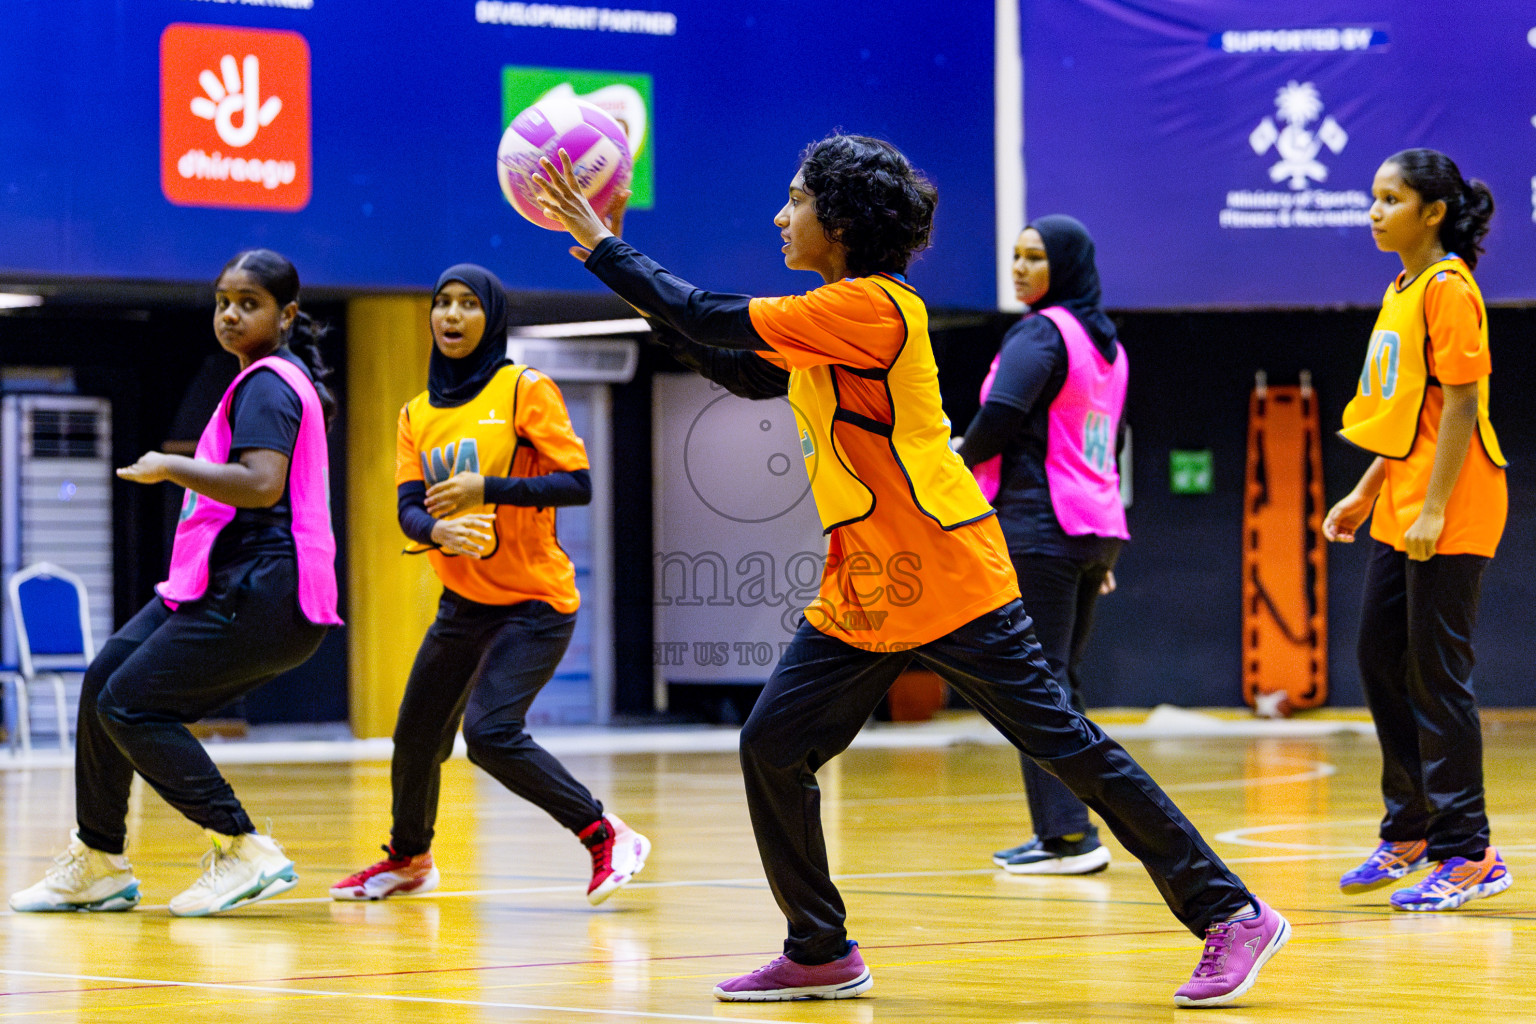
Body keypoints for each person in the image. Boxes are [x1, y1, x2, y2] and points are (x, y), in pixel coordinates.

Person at [532, 135, 1287, 1007]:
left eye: (795, 200)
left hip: (944, 568)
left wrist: (606, 246)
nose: (780, 218)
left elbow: (706, 314)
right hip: (866, 585)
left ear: (842, 221)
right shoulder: (828, 320)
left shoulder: (871, 307)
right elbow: (732, 364)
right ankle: (819, 949)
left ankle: (1233, 913)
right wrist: (623, 271)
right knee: (772, 746)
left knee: (1065, 747)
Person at [10, 249, 342, 917]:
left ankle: (242, 845)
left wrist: (171, 466)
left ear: (286, 316)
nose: (230, 315)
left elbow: (261, 484)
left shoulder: (270, 385)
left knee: (130, 703)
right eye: (223, 302)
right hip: (222, 578)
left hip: (264, 587)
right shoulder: (258, 380)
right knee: (106, 679)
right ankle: (98, 859)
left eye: (248, 304)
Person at [329, 264, 649, 906]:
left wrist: (488, 489)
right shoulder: (416, 413)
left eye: (468, 304)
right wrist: (437, 531)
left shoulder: (524, 389)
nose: (451, 315)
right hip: (465, 603)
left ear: (492, 317)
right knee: (415, 736)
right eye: (442, 303)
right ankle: (409, 859)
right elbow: (409, 507)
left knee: (492, 734)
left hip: (535, 603)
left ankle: (605, 833)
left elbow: (577, 483)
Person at [1323, 149, 1510, 911]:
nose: (1375, 211)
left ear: (1432, 212)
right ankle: (1411, 830)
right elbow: (1411, 416)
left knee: (1438, 676)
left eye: (1391, 198)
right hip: (1404, 499)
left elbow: (1462, 403)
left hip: (1453, 502)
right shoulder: (1399, 288)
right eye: (1373, 197)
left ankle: (1469, 852)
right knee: (1379, 659)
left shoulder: (1448, 287)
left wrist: (1433, 506)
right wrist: (1366, 491)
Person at [955, 216, 1127, 876]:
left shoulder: (1042, 332)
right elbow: (1108, 442)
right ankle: (1067, 828)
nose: (1020, 268)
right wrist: (1093, 550)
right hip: (1092, 529)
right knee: (1058, 681)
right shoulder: (1107, 346)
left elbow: (1001, 416)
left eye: (1035, 257)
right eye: (1016, 256)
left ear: (1065, 266)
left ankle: (1068, 838)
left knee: (1035, 683)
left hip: (1040, 524)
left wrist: (955, 463)